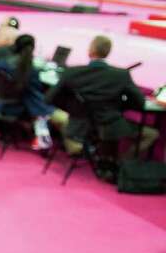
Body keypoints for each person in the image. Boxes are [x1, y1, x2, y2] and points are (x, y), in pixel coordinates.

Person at [47, 34, 158, 166]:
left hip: (78, 125)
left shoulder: (72, 72)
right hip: (110, 125)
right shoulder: (120, 75)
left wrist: (74, 109)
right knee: (151, 134)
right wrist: (120, 105)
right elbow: (140, 102)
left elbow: (49, 98)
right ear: (108, 52)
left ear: (90, 50)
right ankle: (122, 164)